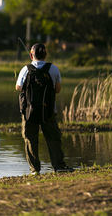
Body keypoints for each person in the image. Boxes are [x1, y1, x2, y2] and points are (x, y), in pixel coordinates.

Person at [15, 43, 73, 174]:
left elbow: (18, 88)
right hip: (48, 111)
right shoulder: (53, 69)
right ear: (45, 55)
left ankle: (34, 170)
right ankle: (59, 166)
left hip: (29, 111)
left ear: (31, 55)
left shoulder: (25, 69)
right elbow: (57, 90)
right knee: (53, 138)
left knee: (30, 139)